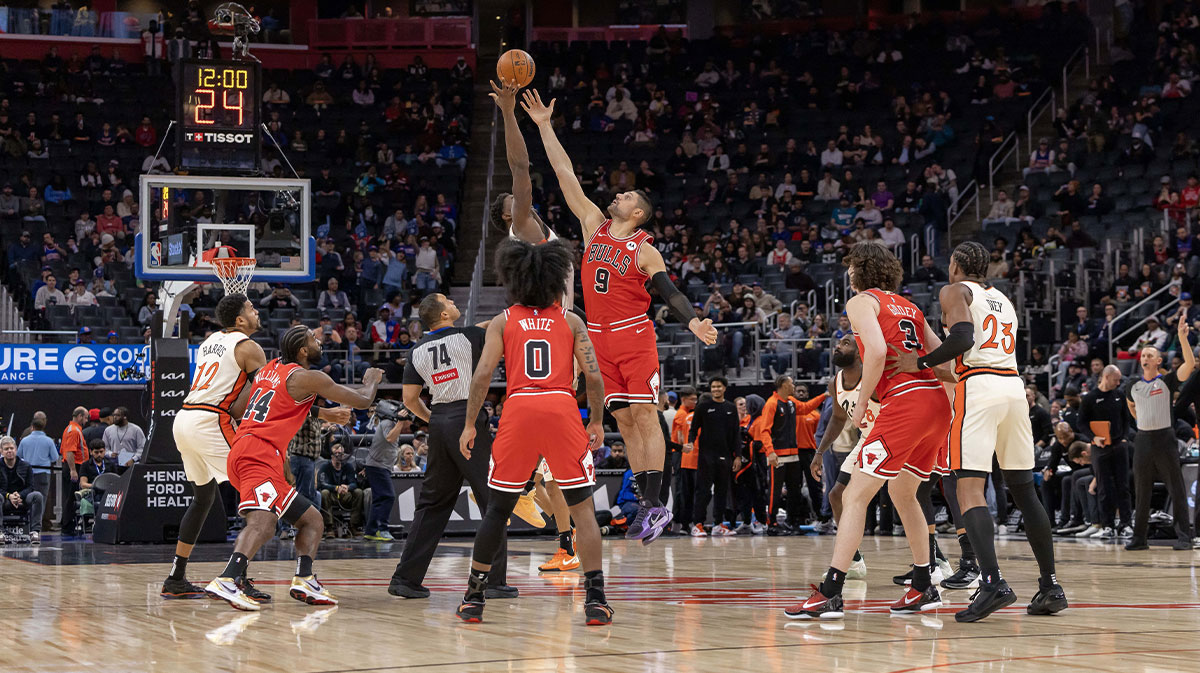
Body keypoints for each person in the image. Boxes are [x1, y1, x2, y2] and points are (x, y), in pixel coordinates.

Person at [523, 88, 718, 544]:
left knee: (647, 418)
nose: (618, 193)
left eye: (627, 194)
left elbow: (668, 291)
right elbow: (564, 173)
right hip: (596, 337)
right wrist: (544, 126)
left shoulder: (643, 249)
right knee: (625, 422)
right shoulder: (594, 227)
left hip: (633, 336)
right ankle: (646, 501)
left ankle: (655, 503)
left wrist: (692, 321)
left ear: (638, 212)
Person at [889, 241, 1067, 621]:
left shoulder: (954, 290)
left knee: (968, 488)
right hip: (1013, 389)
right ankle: (1050, 586)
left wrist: (918, 361)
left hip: (980, 391)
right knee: (1023, 489)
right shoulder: (1003, 299)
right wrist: (926, 369)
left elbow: (964, 340)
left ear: (956, 265)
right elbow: (967, 359)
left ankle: (992, 583)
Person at [785, 241, 951, 620]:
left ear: (861, 270)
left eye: (850, 269)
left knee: (855, 496)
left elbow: (874, 352)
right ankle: (924, 586)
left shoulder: (863, 301)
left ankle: (831, 591)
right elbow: (947, 360)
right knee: (903, 492)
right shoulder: (910, 307)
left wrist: (861, 404)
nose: (847, 275)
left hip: (905, 402)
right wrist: (947, 404)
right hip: (937, 405)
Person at [453, 238, 612, 625]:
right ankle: (596, 599)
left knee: (498, 510)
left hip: (519, 408)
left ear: (515, 280)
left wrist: (471, 423)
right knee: (583, 510)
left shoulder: (503, 320)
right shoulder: (572, 321)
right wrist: (595, 421)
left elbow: (483, 375)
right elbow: (593, 375)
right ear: (556, 281)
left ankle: (474, 597)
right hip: (560, 408)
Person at [204, 326, 384, 611]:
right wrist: (371, 379)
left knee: (312, 520)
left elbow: (239, 409)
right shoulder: (308, 377)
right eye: (314, 339)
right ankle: (227, 579)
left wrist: (306, 411)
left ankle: (304, 579)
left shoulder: (268, 370)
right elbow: (363, 400)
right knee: (263, 524)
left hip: (248, 450)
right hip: (258, 454)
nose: (319, 342)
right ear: (303, 350)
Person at [388, 293, 525, 599]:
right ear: (445, 315)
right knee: (494, 499)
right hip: (468, 419)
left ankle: (405, 579)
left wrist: (434, 419)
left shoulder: (417, 350)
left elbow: (410, 399)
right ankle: (491, 581)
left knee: (432, 503)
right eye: (447, 301)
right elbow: (498, 323)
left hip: (438, 421)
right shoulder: (470, 336)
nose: (452, 301)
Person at [163, 294, 269, 599]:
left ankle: (176, 577)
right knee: (256, 494)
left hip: (184, 419)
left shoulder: (210, 341)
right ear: (239, 320)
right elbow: (265, 395)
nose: (256, 311)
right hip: (210, 420)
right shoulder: (250, 347)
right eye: (251, 308)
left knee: (202, 499)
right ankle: (236, 579)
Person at [811, 334, 878, 579]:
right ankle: (854, 558)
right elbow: (838, 419)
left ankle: (936, 559)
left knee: (906, 498)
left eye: (846, 343)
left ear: (860, 352)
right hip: (865, 440)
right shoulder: (835, 383)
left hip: (889, 438)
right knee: (836, 494)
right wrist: (820, 452)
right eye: (838, 343)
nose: (838, 346)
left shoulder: (874, 376)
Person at [1124, 329, 1195, 551]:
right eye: (1143, 355)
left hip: (1165, 438)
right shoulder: (1132, 385)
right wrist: (1143, 423)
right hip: (1143, 439)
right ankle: (1139, 538)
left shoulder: (1167, 381)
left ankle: (1184, 537)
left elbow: (1189, 365)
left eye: (1149, 355)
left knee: (1175, 488)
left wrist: (1182, 338)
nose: (1145, 358)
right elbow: (1131, 406)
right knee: (1141, 489)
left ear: (1158, 361)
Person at [759, 376, 828, 535]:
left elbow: (805, 407)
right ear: (783, 385)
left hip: (794, 455)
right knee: (775, 491)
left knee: (794, 491)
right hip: (778, 456)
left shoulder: (790, 401)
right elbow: (764, 431)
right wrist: (770, 452)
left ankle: (792, 522)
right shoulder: (771, 404)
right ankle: (772, 523)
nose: (793, 385)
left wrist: (824, 396)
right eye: (791, 383)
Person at [1078, 365, 1133, 539]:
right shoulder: (1090, 398)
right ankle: (1107, 525)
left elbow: (1126, 420)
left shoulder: (1119, 396)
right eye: (1116, 379)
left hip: (1119, 446)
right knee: (1104, 488)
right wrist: (1093, 438)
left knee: (1123, 487)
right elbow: (1081, 423)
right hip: (1100, 448)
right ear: (1106, 377)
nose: (1118, 383)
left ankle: (1126, 524)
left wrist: (1124, 438)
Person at [686, 377, 740, 536]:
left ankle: (718, 524)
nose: (716, 389)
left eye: (719, 386)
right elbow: (693, 429)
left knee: (722, 491)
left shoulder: (731, 408)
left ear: (724, 388)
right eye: (713, 387)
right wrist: (690, 442)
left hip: (725, 456)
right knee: (702, 491)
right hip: (706, 456)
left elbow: (736, 434)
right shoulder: (703, 407)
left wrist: (737, 456)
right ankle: (698, 524)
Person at [363, 405, 404, 541]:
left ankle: (371, 531)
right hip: (377, 465)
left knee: (379, 499)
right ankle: (382, 529)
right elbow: (390, 438)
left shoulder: (390, 423)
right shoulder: (388, 423)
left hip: (379, 466)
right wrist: (401, 421)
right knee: (388, 496)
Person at [15, 412, 57, 533]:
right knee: (41, 500)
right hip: (43, 474)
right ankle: (37, 526)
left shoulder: (25, 440)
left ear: (32, 427)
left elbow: (19, 456)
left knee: (27, 497)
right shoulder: (49, 441)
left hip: (27, 473)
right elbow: (54, 458)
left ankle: (26, 523)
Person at [0, 435, 44, 545]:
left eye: (11, 448)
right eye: (6, 449)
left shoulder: (26, 466)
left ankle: (35, 532)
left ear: (16, 449)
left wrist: (19, 495)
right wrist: (9, 496)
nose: (9, 451)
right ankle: (0, 532)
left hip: (22, 499)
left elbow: (30, 487)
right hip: (5, 500)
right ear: (1, 451)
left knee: (37, 495)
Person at [317, 444, 364, 536]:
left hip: (345, 495)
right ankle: (329, 527)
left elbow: (354, 483)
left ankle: (353, 525)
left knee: (358, 492)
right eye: (337, 454)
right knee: (324, 493)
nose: (339, 456)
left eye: (341, 454)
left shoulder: (348, 466)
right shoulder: (325, 467)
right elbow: (321, 484)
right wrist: (336, 488)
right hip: (332, 495)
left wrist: (348, 487)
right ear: (332, 455)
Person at [59, 407, 89, 537]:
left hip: (74, 466)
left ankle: (67, 524)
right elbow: (69, 452)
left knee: (70, 497)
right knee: (71, 497)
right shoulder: (74, 431)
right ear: (80, 416)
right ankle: (67, 527)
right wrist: (73, 470)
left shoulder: (70, 429)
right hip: (74, 467)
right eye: (86, 417)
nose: (87, 420)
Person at [103, 407, 145, 471]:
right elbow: (104, 448)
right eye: (114, 415)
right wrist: (110, 454)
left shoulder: (136, 429)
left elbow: (142, 448)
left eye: (117, 415)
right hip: (114, 466)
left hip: (132, 466)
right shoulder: (108, 430)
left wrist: (133, 459)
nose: (115, 417)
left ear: (125, 417)